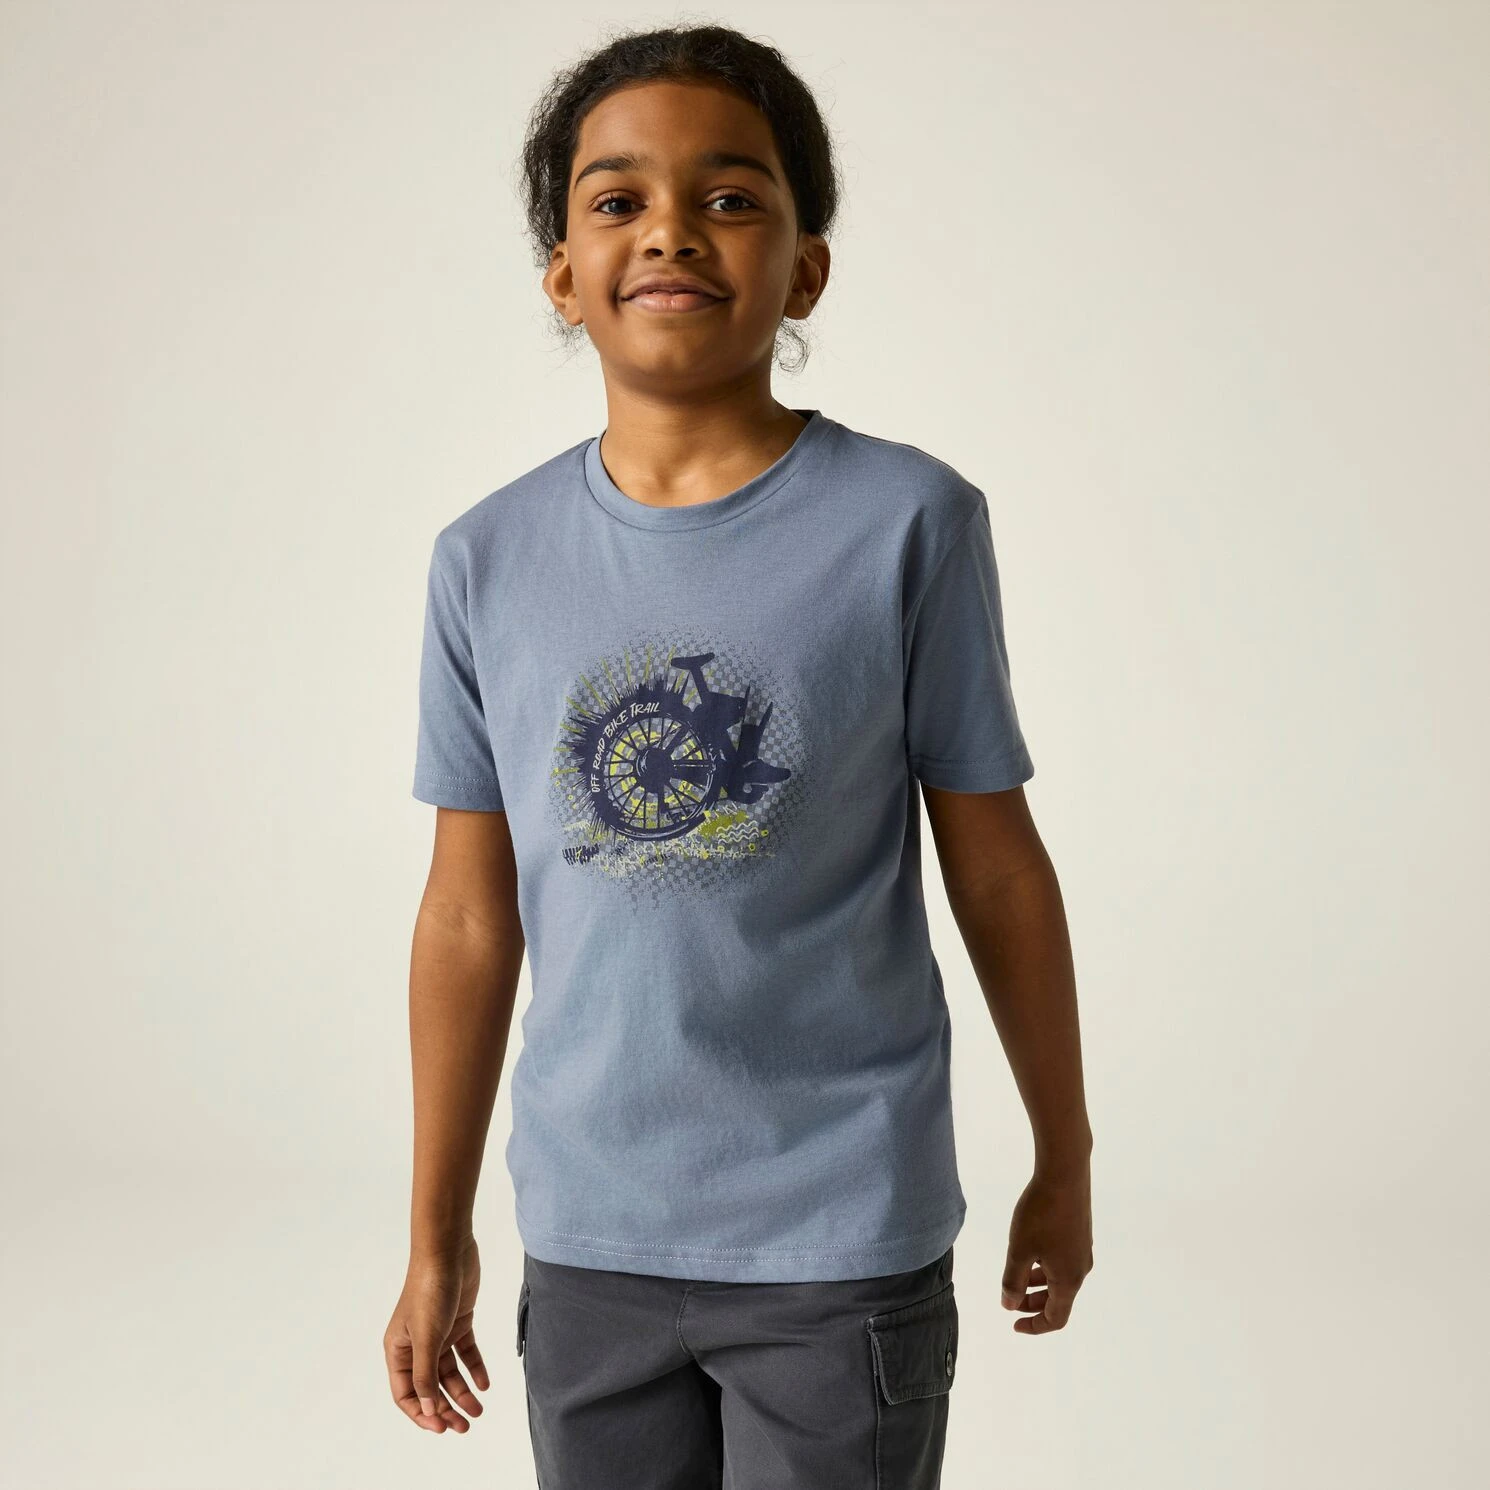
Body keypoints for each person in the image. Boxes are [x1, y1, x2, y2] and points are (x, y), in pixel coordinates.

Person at [382, 21, 1094, 1488]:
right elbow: (464, 915)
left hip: (840, 1237)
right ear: (563, 277)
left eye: (727, 196)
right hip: (588, 1237)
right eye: (617, 199)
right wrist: (434, 1229)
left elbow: (997, 869)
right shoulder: (486, 559)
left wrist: (1064, 1152)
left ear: (804, 267)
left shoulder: (908, 524)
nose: (670, 231)